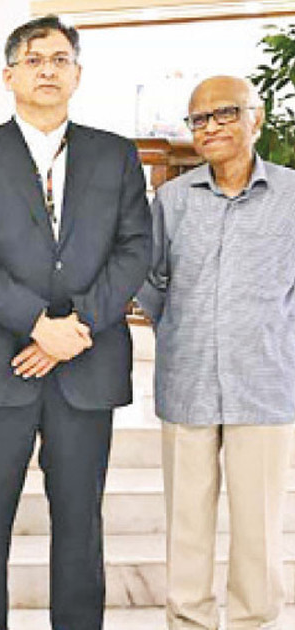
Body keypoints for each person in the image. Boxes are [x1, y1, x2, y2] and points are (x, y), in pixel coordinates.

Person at [0, 15, 151, 630]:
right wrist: (38, 324)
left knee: (81, 518)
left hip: (88, 362)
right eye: (33, 60)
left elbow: (135, 247)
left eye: (60, 59)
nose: (47, 70)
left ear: (78, 75)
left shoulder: (115, 155)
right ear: (9, 76)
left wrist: (74, 329)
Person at [137, 75, 295, 630]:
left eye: (225, 113)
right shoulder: (173, 200)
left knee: (259, 526)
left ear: (257, 117)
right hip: (188, 380)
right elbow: (150, 280)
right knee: (186, 524)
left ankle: (256, 622)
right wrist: (181, 329)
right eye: (200, 119)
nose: (211, 127)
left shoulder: (292, 197)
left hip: (265, 384)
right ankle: (189, 622)